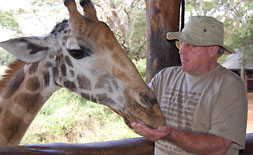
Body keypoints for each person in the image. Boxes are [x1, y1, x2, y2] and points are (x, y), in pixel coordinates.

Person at [132, 16, 248, 155]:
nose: (181, 50)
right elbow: (134, 104)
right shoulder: (165, 77)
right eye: (181, 43)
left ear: (212, 50)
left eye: (191, 45)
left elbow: (219, 146)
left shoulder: (229, 86)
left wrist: (170, 134)